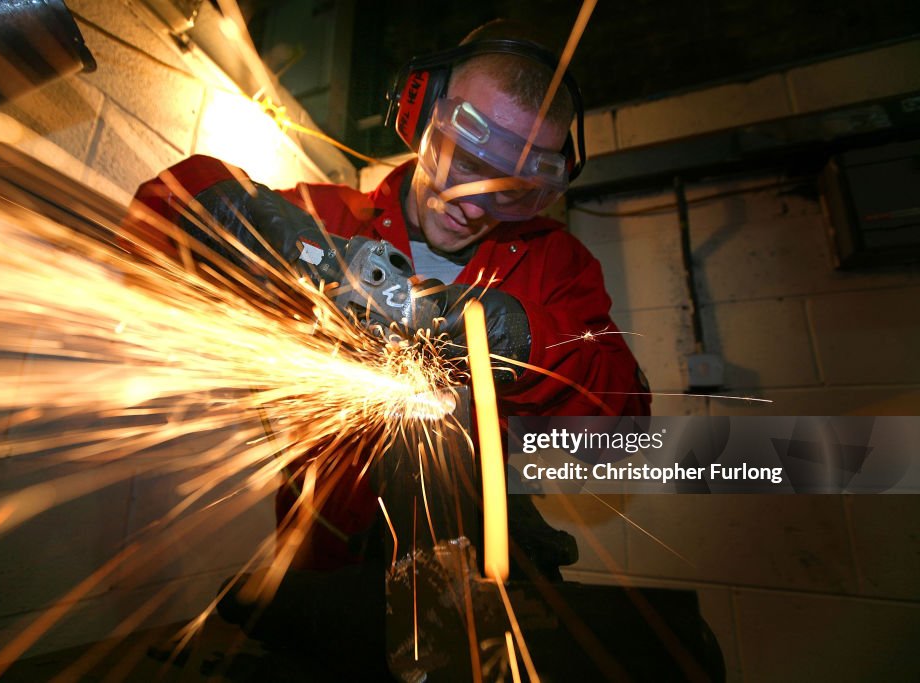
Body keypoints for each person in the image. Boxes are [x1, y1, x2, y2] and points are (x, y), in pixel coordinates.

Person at [121, 20, 650, 580]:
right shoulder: (329, 218)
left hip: (480, 562)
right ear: (420, 113)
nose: (476, 206)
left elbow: (625, 433)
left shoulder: (553, 265)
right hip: (328, 564)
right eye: (467, 165)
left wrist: (517, 339)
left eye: (511, 193)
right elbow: (158, 213)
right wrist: (275, 237)